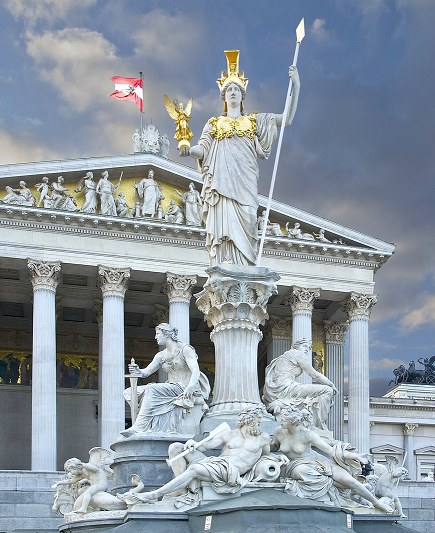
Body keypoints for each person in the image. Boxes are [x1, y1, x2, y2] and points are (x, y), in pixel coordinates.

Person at [180, 51, 300, 266]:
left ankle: (246, 266)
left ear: (242, 95)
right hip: (221, 184)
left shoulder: (254, 121)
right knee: (224, 226)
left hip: (245, 182)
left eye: (237, 89)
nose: (233, 92)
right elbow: (203, 149)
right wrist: (189, 150)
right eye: (229, 90)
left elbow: (287, 119)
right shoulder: (214, 123)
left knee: (249, 220)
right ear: (223, 96)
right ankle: (226, 262)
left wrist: (296, 86)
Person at [127, 406, 272, 503]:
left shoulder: (263, 438)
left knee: (195, 469)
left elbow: (266, 457)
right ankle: (182, 490)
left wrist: (277, 459)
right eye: (258, 418)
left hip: (230, 471)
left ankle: (154, 495)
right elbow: (207, 446)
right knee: (176, 448)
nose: (260, 422)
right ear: (249, 419)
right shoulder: (229, 434)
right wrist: (193, 443)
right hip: (217, 463)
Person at [272, 407, 393, 513]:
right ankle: (334, 485)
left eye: (283, 419)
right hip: (295, 466)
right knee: (305, 472)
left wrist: (355, 456)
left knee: (349, 481)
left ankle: (376, 502)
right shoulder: (279, 431)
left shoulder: (307, 434)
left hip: (317, 462)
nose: (280, 421)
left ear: (292, 422)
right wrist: (262, 444)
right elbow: (274, 447)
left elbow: (330, 451)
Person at [122, 323, 210, 436]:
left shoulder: (185, 349)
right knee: (129, 392)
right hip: (172, 387)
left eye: (158, 334)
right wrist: (137, 370)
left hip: (185, 387)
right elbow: (146, 372)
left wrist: (190, 386)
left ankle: (139, 427)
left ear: (166, 334)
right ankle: (150, 423)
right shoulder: (161, 355)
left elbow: (195, 370)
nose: (155, 337)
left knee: (151, 389)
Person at [262, 338, 337, 431]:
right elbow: (314, 374)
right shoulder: (297, 353)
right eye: (305, 346)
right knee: (327, 390)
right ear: (297, 346)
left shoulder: (281, 357)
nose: (307, 349)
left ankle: (280, 404)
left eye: (309, 348)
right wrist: (331, 385)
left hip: (278, 390)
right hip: (287, 388)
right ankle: (317, 425)